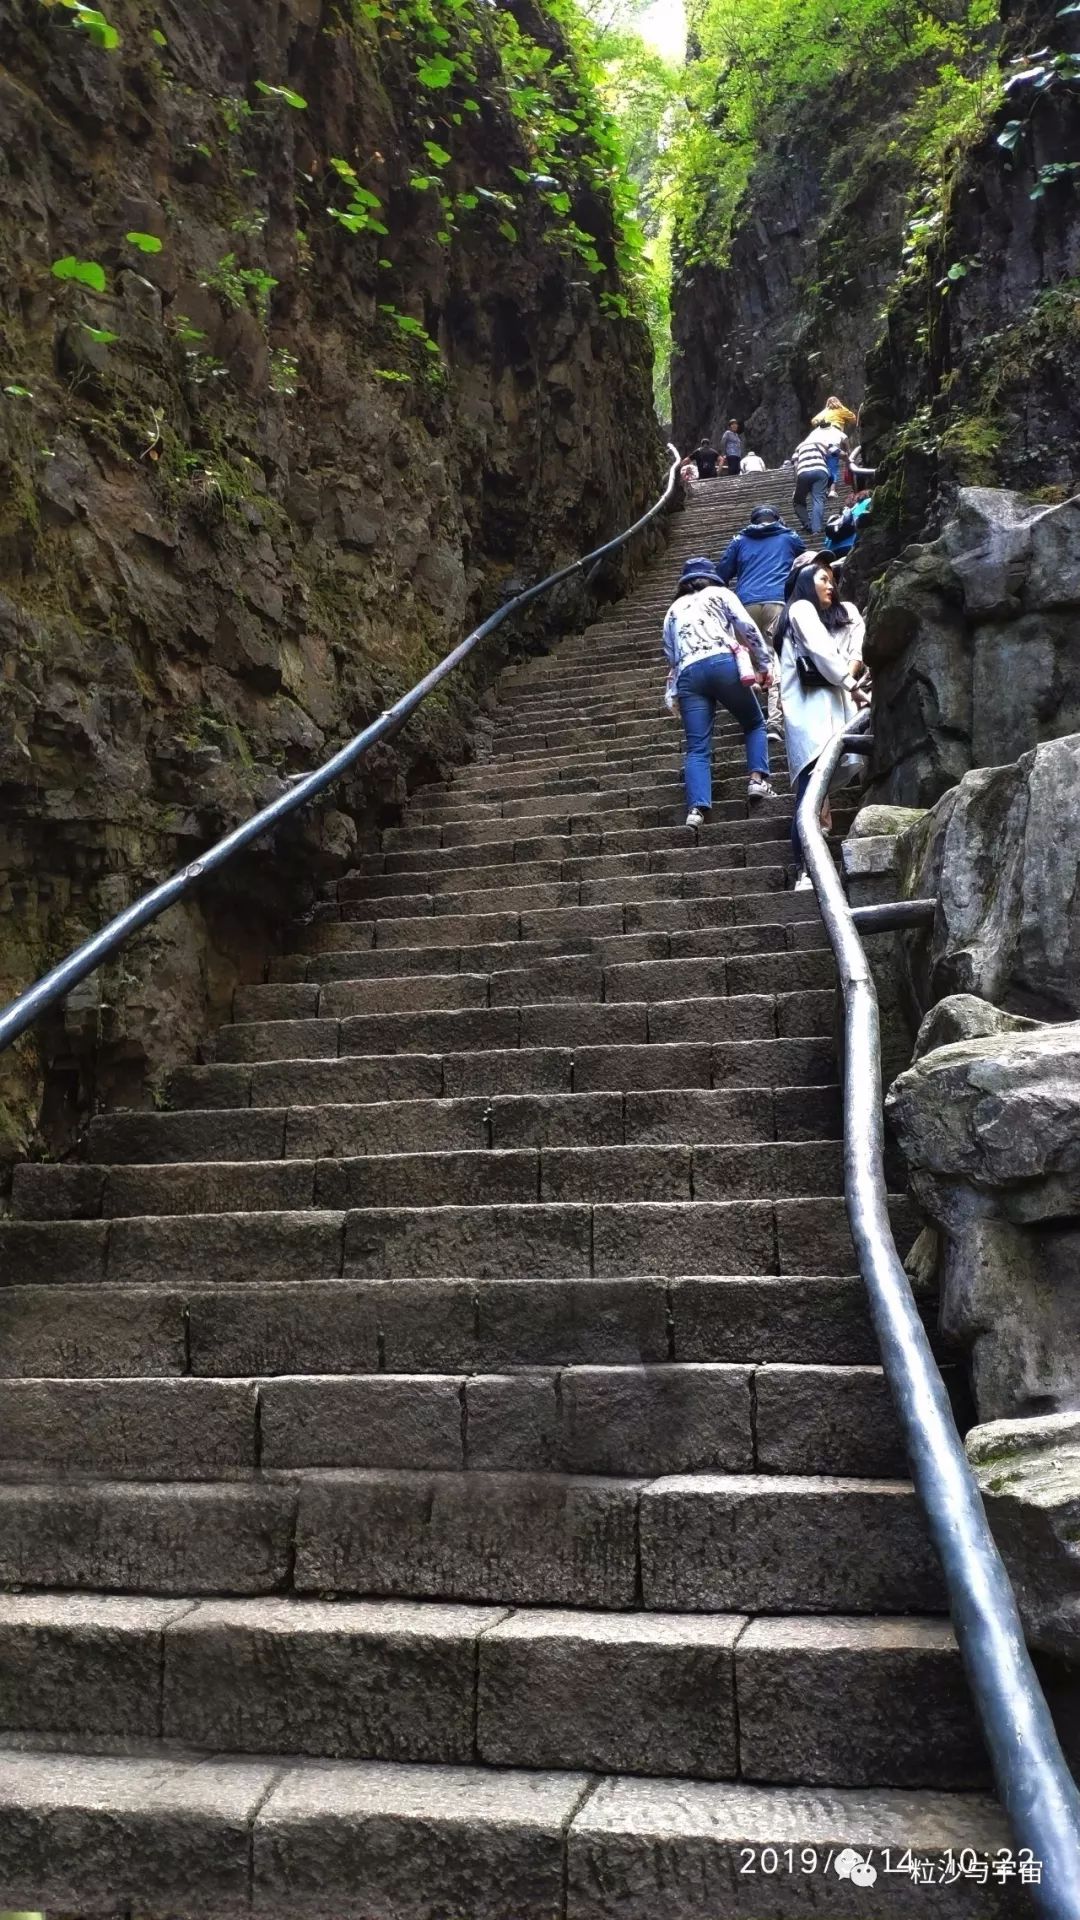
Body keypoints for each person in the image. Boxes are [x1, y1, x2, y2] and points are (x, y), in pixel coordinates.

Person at [774, 555, 870, 888]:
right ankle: (804, 869)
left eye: (832, 579)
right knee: (808, 794)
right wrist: (854, 686)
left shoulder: (842, 615)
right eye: (822, 579)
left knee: (814, 790)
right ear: (804, 583)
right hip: (809, 715)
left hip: (831, 710)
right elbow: (822, 651)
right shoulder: (800, 611)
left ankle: (811, 865)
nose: (831, 585)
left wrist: (850, 678)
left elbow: (851, 646)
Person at [662, 556, 775, 828]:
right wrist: (764, 663)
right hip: (722, 662)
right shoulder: (721, 593)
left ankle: (696, 809)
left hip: (689, 674)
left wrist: (674, 689)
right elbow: (747, 628)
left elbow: (670, 652)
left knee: (697, 747)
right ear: (711, 577)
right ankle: (757, 781)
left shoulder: (673, 610)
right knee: (754, 722)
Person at [716, 504, 805, 739]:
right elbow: (805, 563)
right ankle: (774, 722)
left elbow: (722, 573)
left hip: (744, 606)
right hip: (778, 601)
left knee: (748, 662)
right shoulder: (789, 537)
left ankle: (752, 715)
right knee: (776, 659)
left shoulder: (740, 540)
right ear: (777, 518)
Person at [790, 427, 844, 537]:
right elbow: (839, 453)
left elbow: (795, 464)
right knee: (818, 499)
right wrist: (848, 460)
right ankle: (816, 529)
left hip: (803, 473)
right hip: (820, 471)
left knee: (798, 501)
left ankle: (807, 524)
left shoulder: (799, 447)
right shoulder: (821, 442)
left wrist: (797, 483)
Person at [824, 491, 873, 561]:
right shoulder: (867, 502)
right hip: (851, 546)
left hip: (832, 550)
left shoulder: (844, 515)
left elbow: (826, 541)